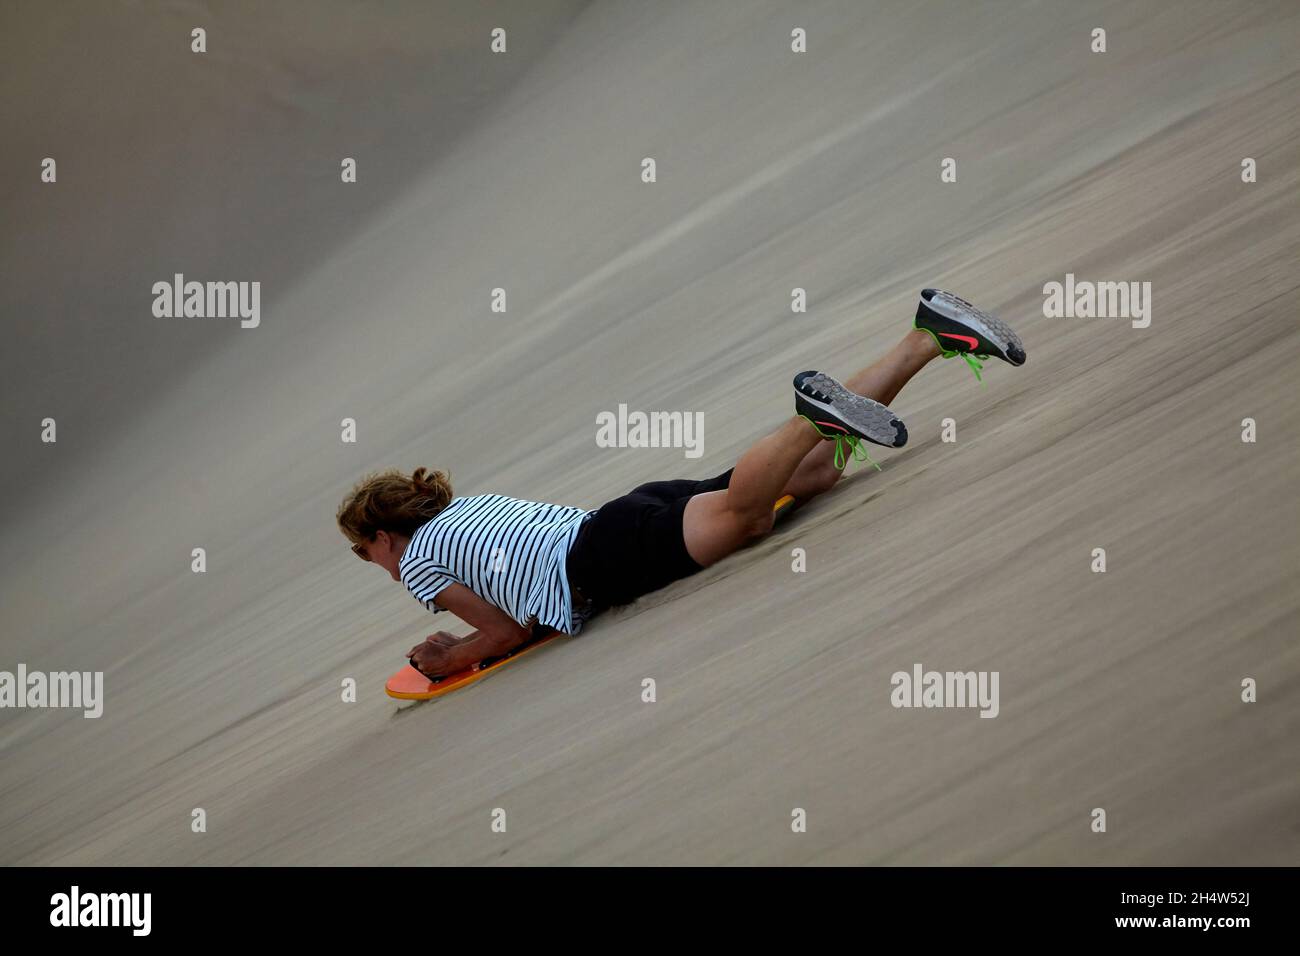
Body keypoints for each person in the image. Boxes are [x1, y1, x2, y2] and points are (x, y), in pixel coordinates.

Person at [337, 289, 1025, 679]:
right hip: (620, 517)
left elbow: (507, 631)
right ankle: (925, 338)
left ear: (384, 536)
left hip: (601, 556)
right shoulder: (472, 509)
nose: (384, 572)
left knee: (745, 519)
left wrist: (446, 658)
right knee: (814, 473)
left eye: (370, 559)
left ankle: (806, 415)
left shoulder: (423, 560)